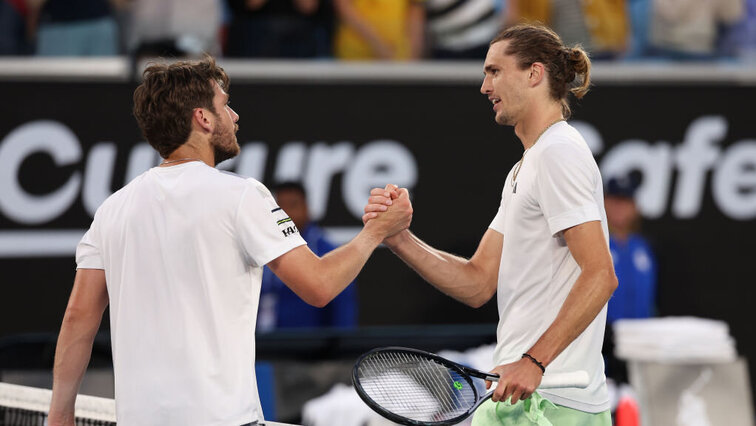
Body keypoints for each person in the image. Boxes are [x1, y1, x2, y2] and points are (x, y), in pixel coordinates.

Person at [47, 56, 412, 426]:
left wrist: (60, 414)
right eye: (225, 105)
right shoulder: (242, 196)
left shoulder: (112, 210)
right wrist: (375, 232)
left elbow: (79, 318)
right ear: (203, 118)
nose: (235, 116)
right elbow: (319, 286)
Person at [364, 24, 617, 425]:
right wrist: (398, 238)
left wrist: (534, 361)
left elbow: (601, 275)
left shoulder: (558, 153)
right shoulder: (526, 166)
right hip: (518, 399)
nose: (485, 86)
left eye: (495, 71)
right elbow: (478, 282)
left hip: (554, 405)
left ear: (534, 74)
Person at [257, 181, 357, 331]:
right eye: (279, 208)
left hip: (309, 348)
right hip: (260, 346)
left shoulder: (328, 252)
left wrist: (339, 350)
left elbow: (343, 311)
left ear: (306, 208)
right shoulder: (260, 247)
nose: (286, 214)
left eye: (292, 206)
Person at [602, 174, 657, 384]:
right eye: (614, 201)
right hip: (605, 344)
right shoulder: (595, 242)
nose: (619, 208)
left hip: (641, 344)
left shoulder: (644, 248)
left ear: (635, 207)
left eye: (625, 202)